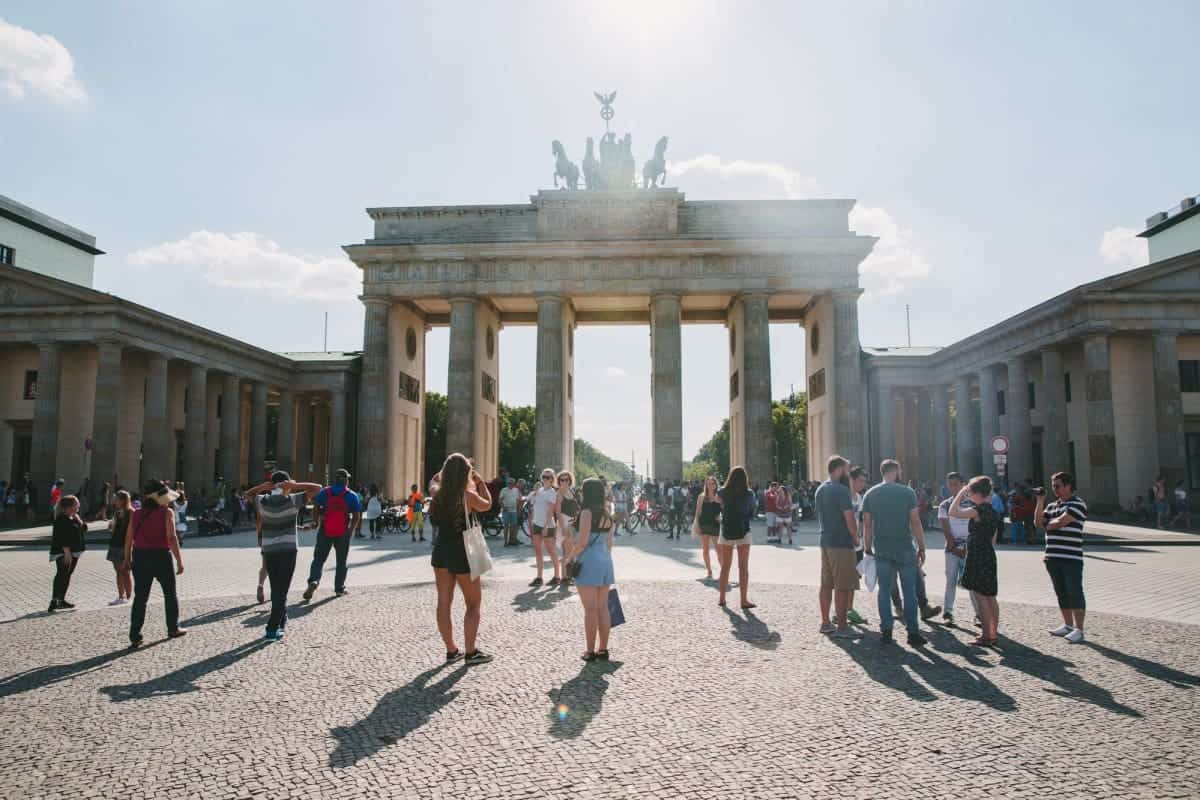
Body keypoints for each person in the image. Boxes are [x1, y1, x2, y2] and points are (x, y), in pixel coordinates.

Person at [429, 452, 494, 665]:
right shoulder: (468, 496)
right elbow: (488, 505)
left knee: (443, 602)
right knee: (473, 604)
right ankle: (470, 651)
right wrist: (480, 482)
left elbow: (433, 481)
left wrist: (444, 472)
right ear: (466, 473)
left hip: (441, 550)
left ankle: (451, 650)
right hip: (464, 551)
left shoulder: (436, 493)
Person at [244, 472, 322, 641]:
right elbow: (318, 488)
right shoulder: (292, 501)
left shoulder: (262, 502)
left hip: (270, 550)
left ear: (272, 484)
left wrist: (264, 487)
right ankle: (271, 629)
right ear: (286, 483)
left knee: (276, 588)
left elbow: (247, 494)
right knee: (282, 591)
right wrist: (294, 485)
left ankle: (281, 621)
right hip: (288, 551)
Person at [862, 459, 927, 647]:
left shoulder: (871, 494)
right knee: (909, 591)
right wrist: (922, 546)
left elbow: (867, 524)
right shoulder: (907, 492)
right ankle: (913, 633)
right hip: (905, 547)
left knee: (884, 590)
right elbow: (915, 522)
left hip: (882, 548)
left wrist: (867, 547)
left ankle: (887, 630)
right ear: (896, 471)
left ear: (882, 472)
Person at [125, 479, 187, 646]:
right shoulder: (167, 513)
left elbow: (129, 538)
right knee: (169, 594)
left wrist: (126, 559)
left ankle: (135, 634)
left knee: (141, 597)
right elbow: (172, 538)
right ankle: (173, 628)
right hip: (161, 557)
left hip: (140, 556)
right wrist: (179, 561)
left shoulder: (136, 513)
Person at [564, 477, 617, 661]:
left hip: (589, 561)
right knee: (603, 608)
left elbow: (582, 542)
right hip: (605, 560)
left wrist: (569, 557)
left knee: (590, 610)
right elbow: (610, 543)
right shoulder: (607, 513)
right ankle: (603, 649)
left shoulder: (586, 513)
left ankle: (589, 651)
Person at [1035, 472, 1088, 643]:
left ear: (1068, 486)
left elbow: (1059, 523)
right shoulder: (1051, 506)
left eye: (1057, 485)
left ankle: (1079, 629)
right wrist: (1040, 501)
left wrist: (1047, 525)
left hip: (1071, 557)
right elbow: (1037, 523)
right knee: (1061, 593)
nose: (1054, 489)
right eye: (1052, 486)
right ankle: (1067, 625)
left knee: (1075, 592)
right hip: (1052, 556)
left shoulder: (1078, 504)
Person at [949, 475, 1002, 646]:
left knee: (980, 596)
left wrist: (960, 494)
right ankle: (993, 633)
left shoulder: (978, 510)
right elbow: (994, 538)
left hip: (977, 554)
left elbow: (953, 512)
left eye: (971, 491)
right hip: (988, 553)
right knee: (990, 596)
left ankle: (987, 635)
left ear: (978, 493)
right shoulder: (993, 511)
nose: (969, 494)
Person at [815, 456, 860, 636]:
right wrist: (856, 537)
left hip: (825, 541)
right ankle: (842, 626)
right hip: (841, 543)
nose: (849, 474)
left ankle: (825, 623)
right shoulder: (842, 491)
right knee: (843, 585)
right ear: (839, 469)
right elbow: (849, 518)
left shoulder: (820, 489)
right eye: (847, 470)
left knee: (826, 584)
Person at [303, 468, 362, 600]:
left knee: (319, 558)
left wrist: (315, 522)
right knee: (341, 561)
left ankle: (314, 581)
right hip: (342, 531)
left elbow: (316, 507)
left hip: (326, 529)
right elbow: (356, 516)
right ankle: (339, 588)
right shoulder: (352, 495)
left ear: (334, 479)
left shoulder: (325, 492)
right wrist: (350, 531)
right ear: (346, 480)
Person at [937, 472, 979, 626]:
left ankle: (979, 614)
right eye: (950, 484)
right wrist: (954, 546)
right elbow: (945, 528)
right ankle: (948, 611)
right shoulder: (945, 505)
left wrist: (967, 547)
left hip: (969, 548)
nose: (953, 487)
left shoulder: (972, 504)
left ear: (963, 485)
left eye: (956, 484)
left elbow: (975, 527)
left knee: (972, 582)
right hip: (951, 548)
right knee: (951, 580)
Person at [716, 465, 755, 609]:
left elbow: (718, 504)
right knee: (743, 567)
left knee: (725, 567)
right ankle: (743, 600)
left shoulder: (722, 492)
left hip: (727, 531)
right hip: (744, 531)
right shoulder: (749, 493)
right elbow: (752, 510)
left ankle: (722, 598)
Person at [48, 494, 87, 612]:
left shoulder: (72, 517)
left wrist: (78, 519)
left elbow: (84, 529)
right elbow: (61, 536)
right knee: (62, 574)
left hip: (73, 551)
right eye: (76, 505)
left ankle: (61, 600)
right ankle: (55, 601)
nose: (78, 507)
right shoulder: (61, 519)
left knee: (66, 575)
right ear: (69, 507)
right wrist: (67, 551)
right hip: (64, 552)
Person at [845, 466, 869, 626]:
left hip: (858, 545)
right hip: (846, 543)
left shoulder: (859, 498)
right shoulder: (845, 496)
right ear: (851, 480)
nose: (863, 484)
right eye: (860, 480)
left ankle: (849, 609)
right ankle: (843, 610)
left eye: (864, 481)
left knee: (855, 579)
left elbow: (860, 520)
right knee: (845, 580)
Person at [528, 469, 561, 586]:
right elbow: (533, 506)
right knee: (538, 551)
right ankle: (539, 577)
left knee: (551, 551)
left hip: (547, 525)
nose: (546, 479)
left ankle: (557, 576)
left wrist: (546, 526)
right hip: (536, 523)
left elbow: (551, 511)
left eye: (548, 477)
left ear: (552, 479)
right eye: (544, 477)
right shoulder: (539, 491)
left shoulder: (552, 493)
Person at [105, 490, 134, 606]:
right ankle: (120, 596)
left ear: (123, 500)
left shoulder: (131, 512)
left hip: (125, 545)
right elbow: (113, 529)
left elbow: (132, 530)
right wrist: (111, 526)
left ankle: (129, 596)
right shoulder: (117, 513)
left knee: (125, 571)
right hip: (115, 543)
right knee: (118, 571)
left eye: (116, 499)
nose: (114, 501)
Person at [691, 476, 723, 579]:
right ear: (706, 485)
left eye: (712, 483)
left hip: (715, 525)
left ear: (716, 484)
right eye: (708, 483)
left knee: (719, 549)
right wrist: (698, 525)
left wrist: (721, 516)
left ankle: (723, 571)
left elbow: (725, 509)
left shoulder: (719, 496)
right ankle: (709, 571)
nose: (710, 485)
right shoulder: (701, 496)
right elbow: (697, 512)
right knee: (705, 549)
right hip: (704, 524)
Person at [554, 471, 580, 563]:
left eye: (567, 480)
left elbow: (576, 507)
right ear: (559, 481)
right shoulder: (559, 493)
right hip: (564, 521)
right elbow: (558, 512)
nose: (564, 482)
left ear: (570, 481)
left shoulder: (571, 491)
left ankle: (569, 573)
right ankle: (566, 575)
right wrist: (562, 527)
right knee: (567, 551)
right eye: (562, 480)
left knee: (572, 548)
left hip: (572, 522)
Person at [499, 478, 522, 546]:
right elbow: (500, 500)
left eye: (512, 483)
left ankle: (511, 540)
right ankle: (505, 541)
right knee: (506, 526)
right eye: (509, 483)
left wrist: (518, 510)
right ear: (507, 483)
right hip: (506, 510)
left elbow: (518, 500)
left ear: (514, 484)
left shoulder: (516, 490)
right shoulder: (504, 490)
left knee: (513, 526)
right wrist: (503, 507)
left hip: (514, 511)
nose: (510, 484)